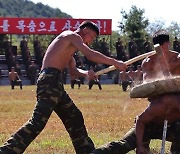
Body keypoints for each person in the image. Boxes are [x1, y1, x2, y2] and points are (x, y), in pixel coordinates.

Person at [0, 20, 127, 154]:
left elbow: (73, 72)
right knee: (37, 122)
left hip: (55, 83)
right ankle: (6, 151)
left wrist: (86, 74)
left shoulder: (69, 49)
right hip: (50, 81)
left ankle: (87, 151)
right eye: (92, 37)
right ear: (85, 31)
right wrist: (115, 62)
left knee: (74, 116)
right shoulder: (71, 36)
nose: (91, 41)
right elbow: (90, 54)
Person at [92, 30, 180, 154]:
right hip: (153, 115)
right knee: (125, 144)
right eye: (162, 46)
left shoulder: (177, 59)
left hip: (175, 120)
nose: (165, 48)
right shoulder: (149, 63)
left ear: (168, 44)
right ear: (157, 46)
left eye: (167, 45)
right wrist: (139, 146)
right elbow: (148, 85)